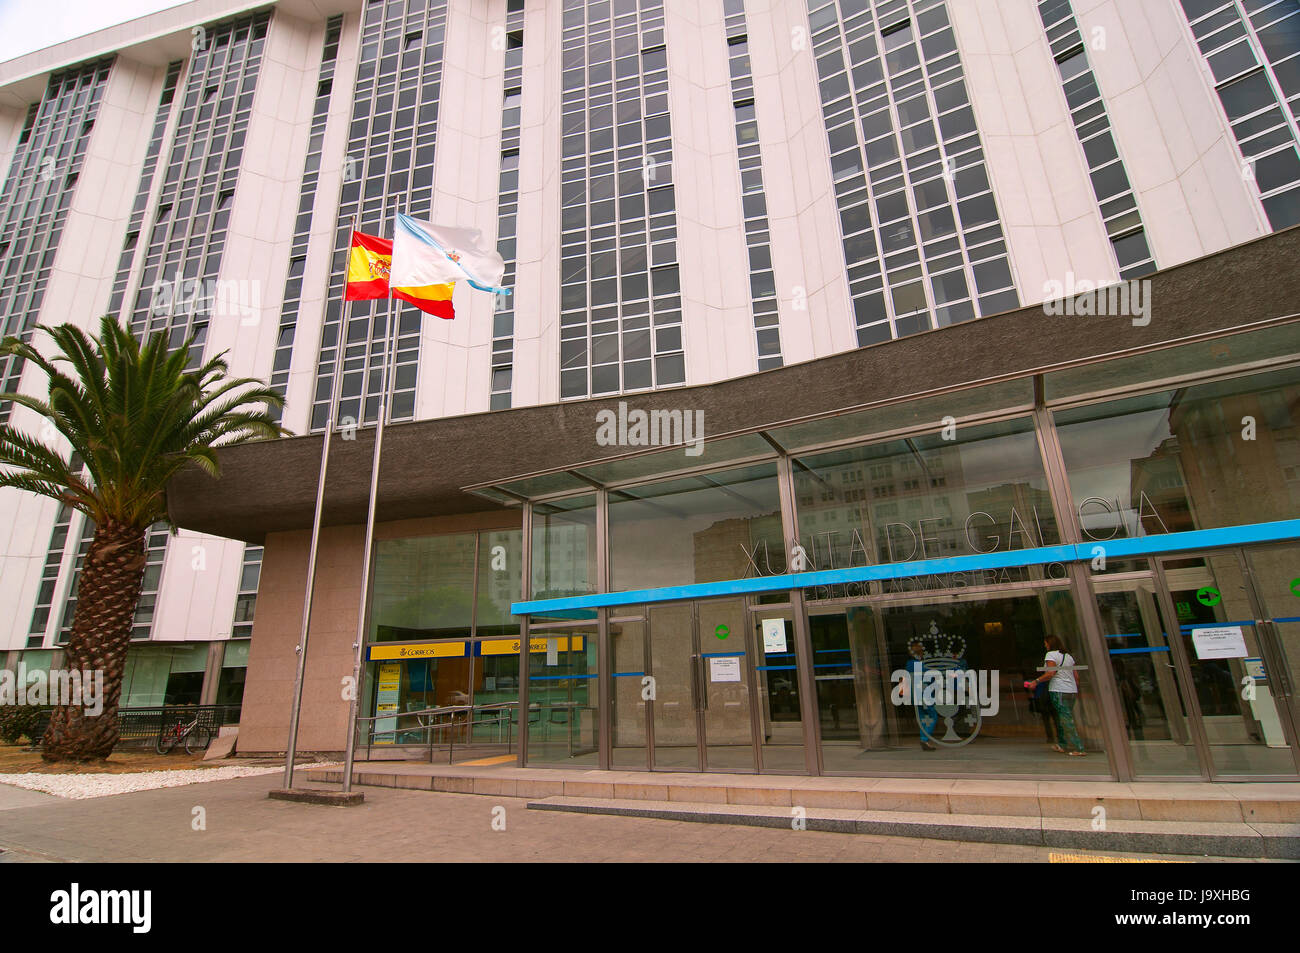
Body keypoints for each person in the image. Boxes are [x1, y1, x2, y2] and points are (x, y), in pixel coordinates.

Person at [1028, 635, 1085, 756]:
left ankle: (1078, 747)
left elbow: (1051, 673)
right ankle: (1062, 744)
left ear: (1049, 643)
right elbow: (1077, 677)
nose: (1045, 645)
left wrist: (1036, 681)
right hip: (1071, 690)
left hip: (1058, 689)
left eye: (1045, 643)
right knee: (1061, 717)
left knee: (1065, 718)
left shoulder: (1051, 655)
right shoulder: (1068, 656)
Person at [905, 638, 938, 751]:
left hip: (916, 694)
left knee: (923, 717)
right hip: (924, 693)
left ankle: (924, 739)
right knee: (932, 715)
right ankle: (925, 738)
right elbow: (931, 676)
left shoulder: (910, 663)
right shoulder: (920, 664)